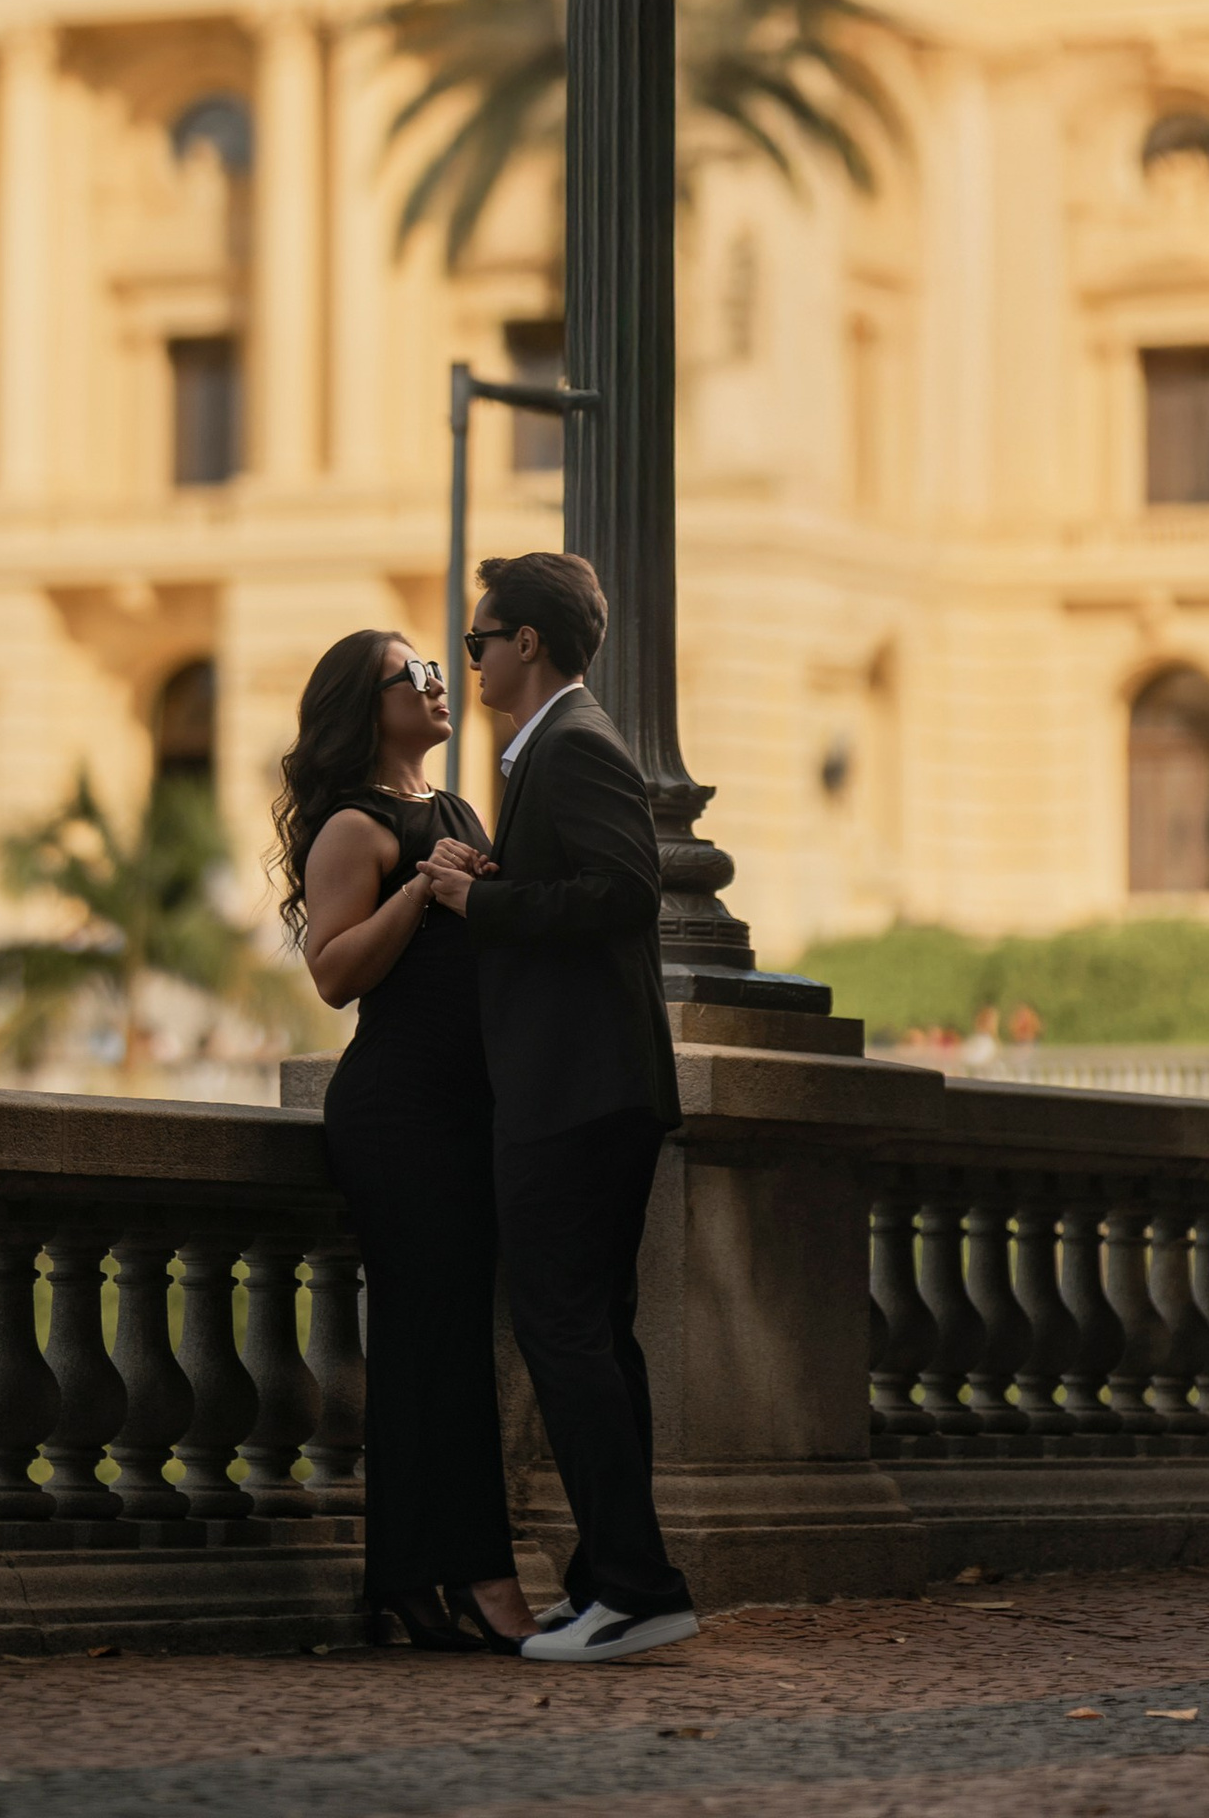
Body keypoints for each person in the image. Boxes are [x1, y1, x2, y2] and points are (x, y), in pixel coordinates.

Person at [421, 550, 695, 1667]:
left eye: (480, 639)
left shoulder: (574, 745)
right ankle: (620, 1581)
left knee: (566, 1335)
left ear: (525, 644)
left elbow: (628, 892)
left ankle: (631, 1587)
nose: (471, 657)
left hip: (575, 1097)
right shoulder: (551, 749)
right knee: (592, 1341)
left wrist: (476, 903)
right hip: (590, 1091)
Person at [276, 627, 535, 1655]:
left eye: (438, 671)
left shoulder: (457, 809)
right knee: (441, 1357)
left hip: (465, 1111)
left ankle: (406, 1581)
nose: (438, 686)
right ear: (363, 702)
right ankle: (477, 1576)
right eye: (413, 676)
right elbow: (334, 973)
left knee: (439, 1351)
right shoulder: (355, 824)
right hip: (397, 1114)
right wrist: (422, 890)